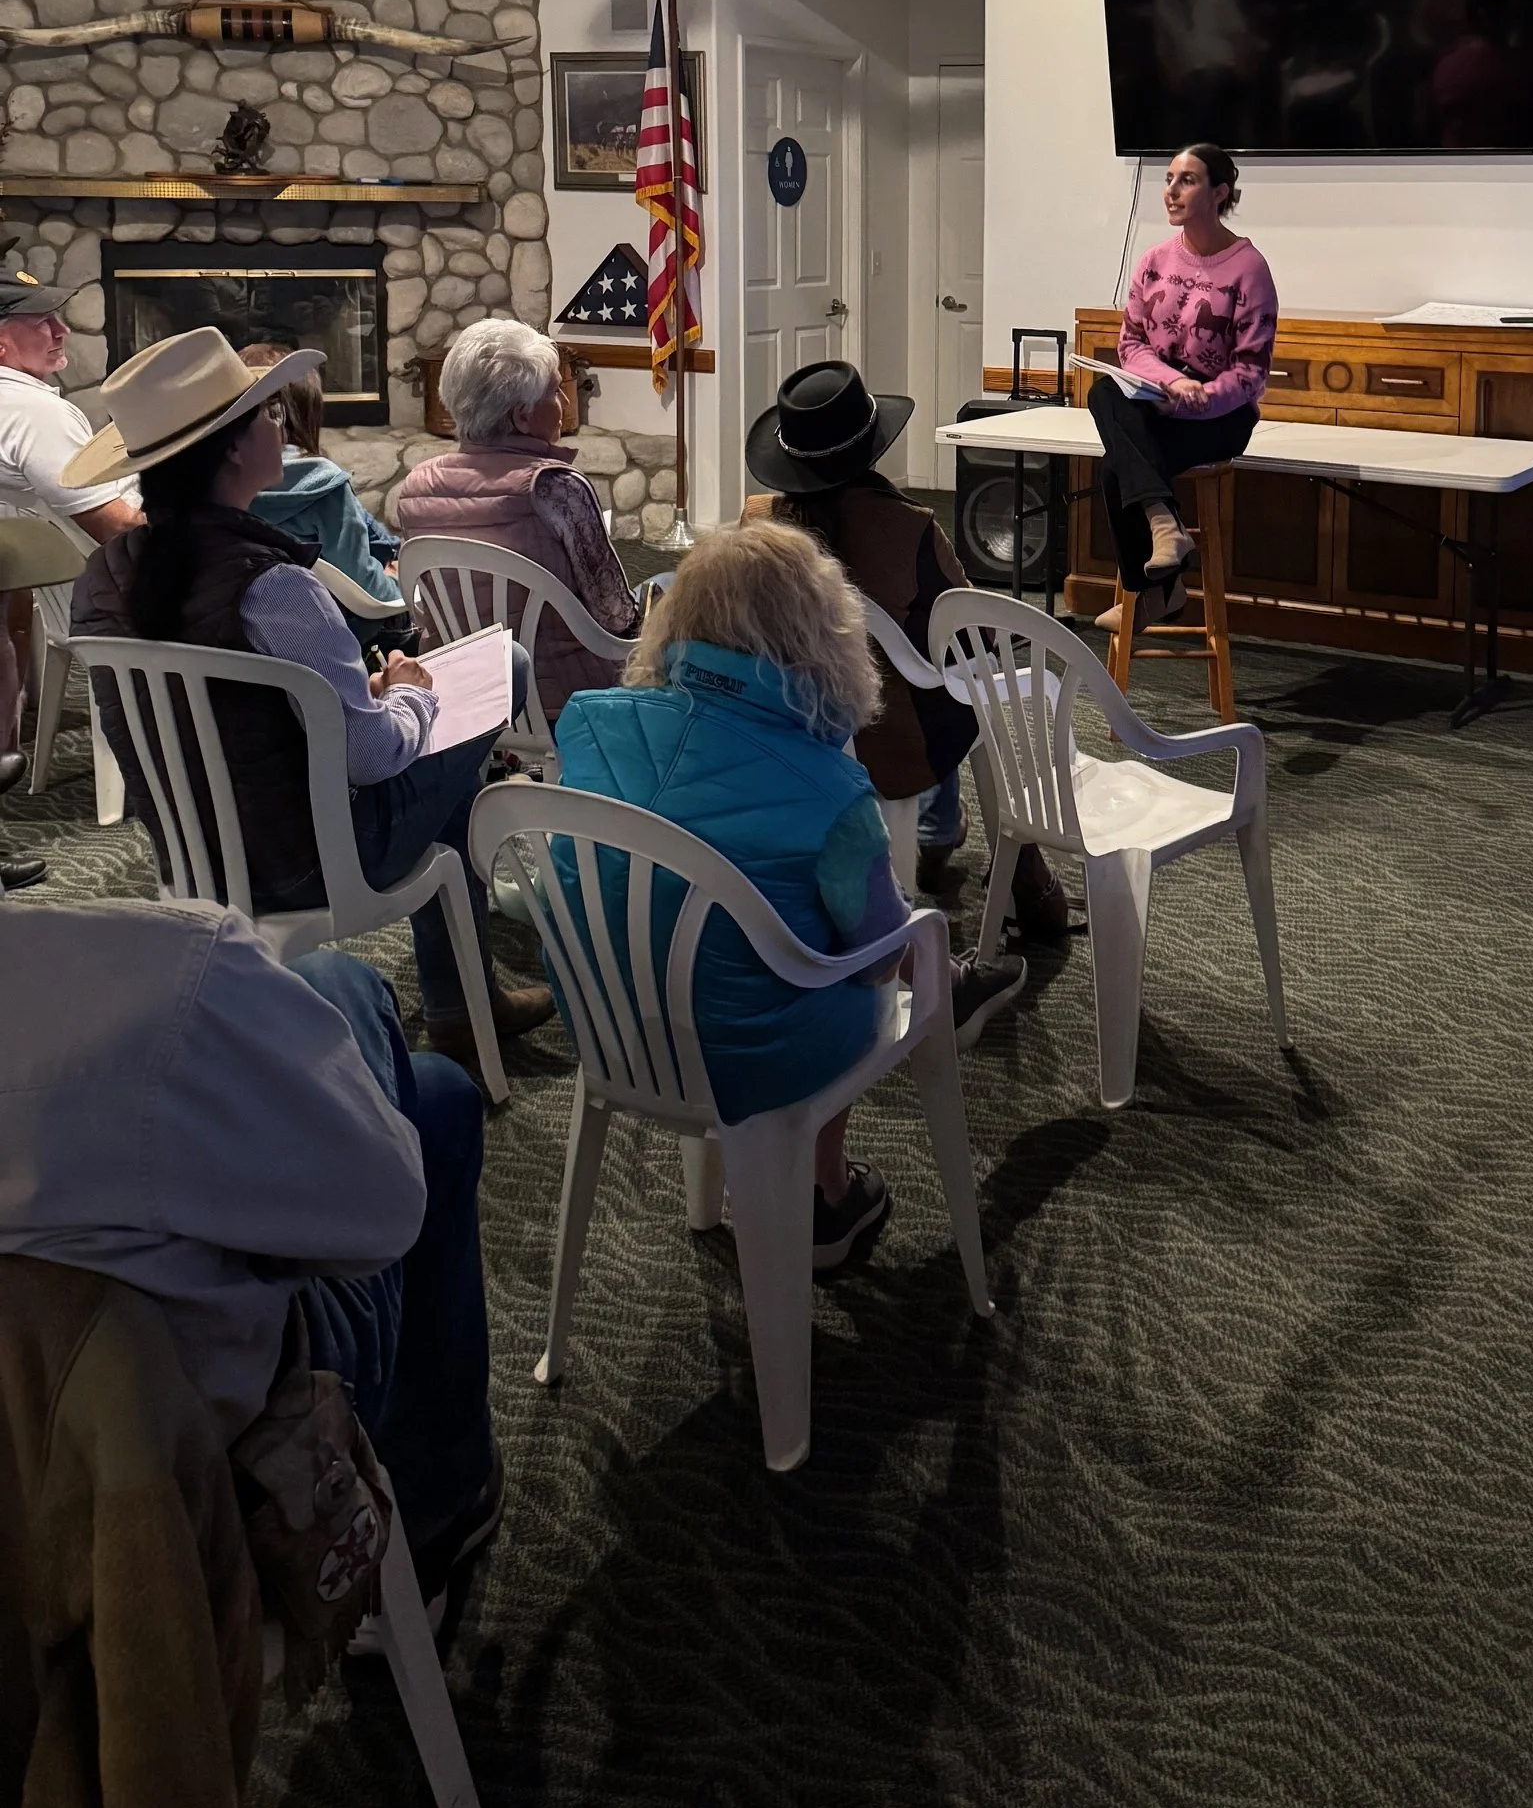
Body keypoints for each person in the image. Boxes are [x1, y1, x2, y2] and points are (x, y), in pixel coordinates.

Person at [64, 327, 552, 1073]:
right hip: (314, 857)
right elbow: (372, 755)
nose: (280, 425)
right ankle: (460, 1002)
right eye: (266, 414)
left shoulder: (101, 578)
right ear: (230, 447)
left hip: (193, 849)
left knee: (442, 761)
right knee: (501, 670)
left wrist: (366, 696)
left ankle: (463, 999)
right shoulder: (276, 587)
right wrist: (410, 696)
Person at [0, 895, 503, 1609]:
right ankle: (429, 1517)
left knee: (430, 1092)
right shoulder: (168, 967)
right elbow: (384, 1219)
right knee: (364, 1011)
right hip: (214, 1472)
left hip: (31, 1505)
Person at [550, 520, 1022, 1273]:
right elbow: (874, 963)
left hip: (613, 1030)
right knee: (851, 963)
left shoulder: (590, 728)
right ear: (823, 634)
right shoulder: (830, 789)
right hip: (758, 1057)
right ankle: (824, 1195)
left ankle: (747, 1194)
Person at [747, 357, 1079, 945]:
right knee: (979, 684)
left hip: (780, 724)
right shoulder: (909, 527)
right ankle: (1018, 871)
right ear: (871, 448)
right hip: (890, 736)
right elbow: (969, 628)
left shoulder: (757, 520)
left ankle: (941, 830)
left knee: (929, 671)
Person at [395, 318, 639, 721]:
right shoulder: (555, 487)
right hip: (564, 703)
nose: (563, 403)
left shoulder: (416, 487)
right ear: (523, 416)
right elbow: (615, 617)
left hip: (461, 699)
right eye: (555, 391)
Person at [1092, 143, 1278, 630]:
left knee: (1115, 466)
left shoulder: (1248, 268)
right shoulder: (1154, 260)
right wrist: (1171, 384)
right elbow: (1131, 345)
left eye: (1187, 180)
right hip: (1160, 398)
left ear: (1219, 193)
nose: (1171, 191)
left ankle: (1155, 592)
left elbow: (1251, 372)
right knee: (1104, 392)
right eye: (1169, 178)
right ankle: (1164, 526)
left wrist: (1199, 398)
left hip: (1221, 417)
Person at [0, 271, 141, 885]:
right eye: (41, 323)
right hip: (102, 598)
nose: (62, 331)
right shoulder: (33, 410)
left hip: (44, 596)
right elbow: (121, 529)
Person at [240, 340, 399, 600]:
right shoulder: (322, 483)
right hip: (336, 618)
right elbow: (361, 583)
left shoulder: (221, 482)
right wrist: (402, 589)